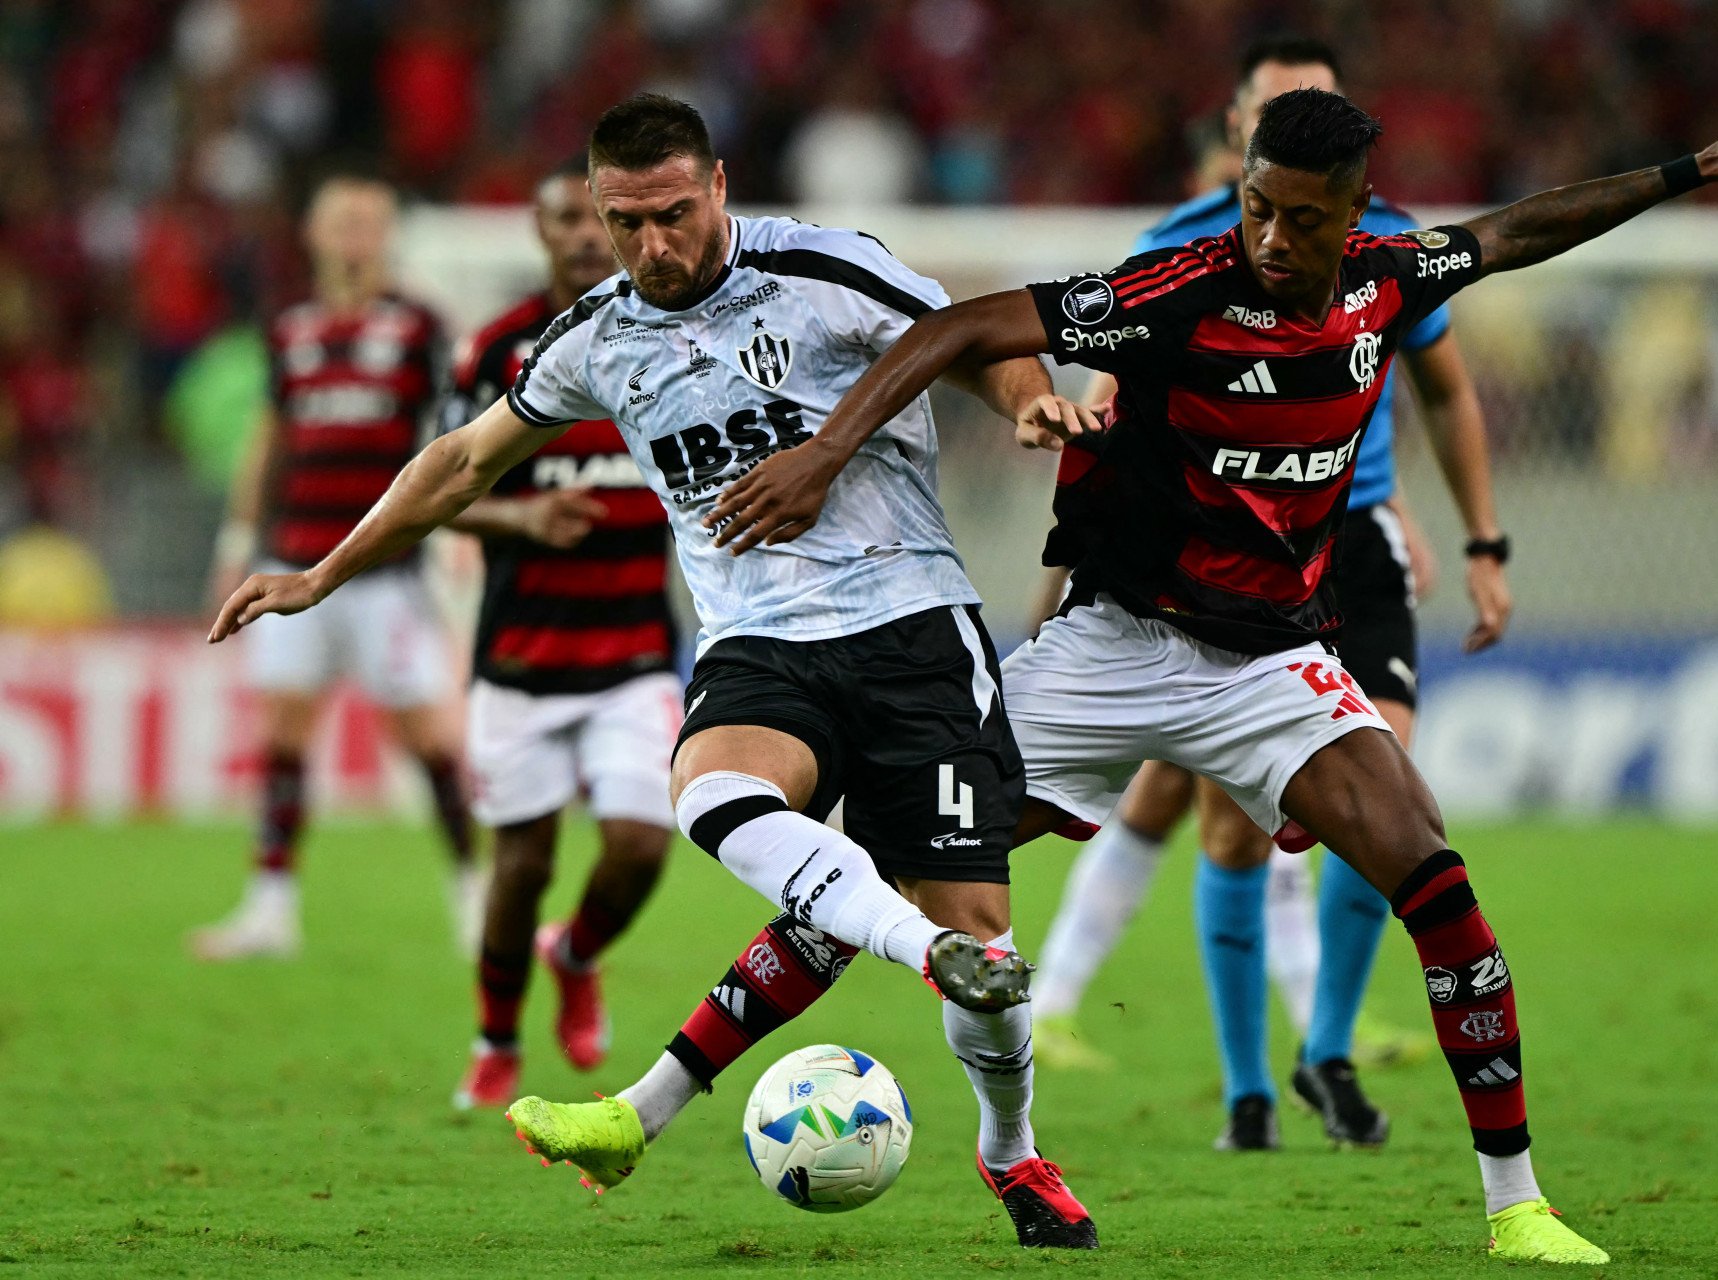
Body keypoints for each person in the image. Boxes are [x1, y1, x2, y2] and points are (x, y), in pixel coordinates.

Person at [701, 87, 1718, 1264]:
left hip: (1274, 667)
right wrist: (829, 452)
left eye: (1303, 218)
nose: (1273, 239)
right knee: (885, 869)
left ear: (1354, 215)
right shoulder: (1172, 297)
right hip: (1114, 648)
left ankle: (1518, 1205)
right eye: (1257, 209)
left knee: (1441, 888)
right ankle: (655, 1097)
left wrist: (1692, 169)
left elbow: (1516, 229)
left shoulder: (1389, 280)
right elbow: (964, 328)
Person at [207, 96, 1105, 1249]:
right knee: (709, 795)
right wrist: (319, 573)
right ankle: (915, 947)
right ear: (596, 208)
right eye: (626, 222)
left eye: (673, 215)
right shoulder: (596, 337)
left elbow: (972, 336)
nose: (652, 247)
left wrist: (1034, 401)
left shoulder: (826, 270)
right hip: (757, 638)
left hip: (913, 626)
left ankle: (1010, 1146)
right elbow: (462, 461)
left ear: (719, 186)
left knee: (988, 947)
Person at [1029, 35, 1510, 1158]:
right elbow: (1112, 395)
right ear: (1238, 129)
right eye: (1276, 109)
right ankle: (1248, 1090)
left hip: (1355, 537)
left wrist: (1480, 534)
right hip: (1217, 560)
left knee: (1390, 794)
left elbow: (1439, 386)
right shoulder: (1180, 251)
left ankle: (1326, 1045)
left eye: (1321, 109)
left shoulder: (1381, 247)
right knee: (1223, 825)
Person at [440, 158, 682, 1111]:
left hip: (631, 651)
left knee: (639, 846)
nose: (586, 237)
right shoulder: (496, 351)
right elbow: (443, 492)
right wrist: (522, 521)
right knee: (522, 865)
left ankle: (576, 956)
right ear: (540, 233)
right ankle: (495, 1038)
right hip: (522, 656)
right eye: (566, 222)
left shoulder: (673, 335)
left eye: (599, 222)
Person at [191, 175, 479, 962]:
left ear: (387, 236)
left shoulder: (420, 327)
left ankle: (474, 898)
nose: (355, 236)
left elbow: (456, 437)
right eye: (341, 222)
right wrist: (236, 542)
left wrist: (461, 526)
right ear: (315, 235)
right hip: (291, 562)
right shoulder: (291, 330)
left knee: (425, 735)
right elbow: (270, 439)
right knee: (284, 732)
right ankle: (270, 908)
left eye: (368, 223)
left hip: (385, 569)